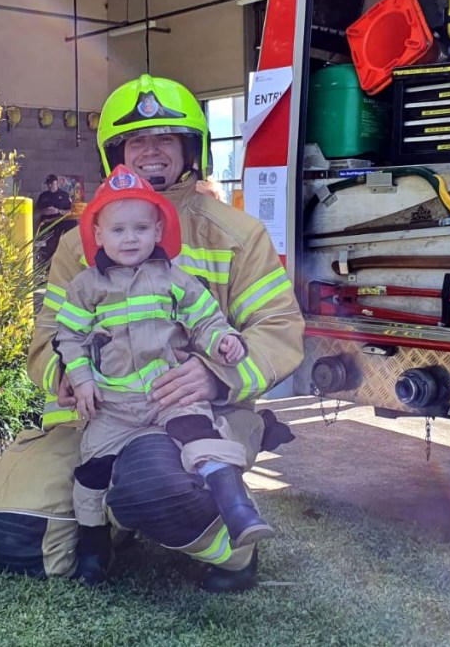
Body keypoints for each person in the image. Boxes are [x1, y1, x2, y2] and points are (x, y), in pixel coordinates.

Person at [0, 74, 304, 592]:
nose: (151, 150)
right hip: (96, 419)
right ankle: (121, 513)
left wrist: (215, 376)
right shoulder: (80, 243)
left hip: (199, 415)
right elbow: (48, 337)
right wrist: (66, 377)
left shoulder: (236, 235)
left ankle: (231, 551)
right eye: (135, 140)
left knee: (153, 475)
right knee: (13, 537)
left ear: (191, 147)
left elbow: (279, 329)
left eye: (166, 137)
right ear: (115, 155)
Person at [56, 164, 273, 585]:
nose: (130, 238)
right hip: (113, 407)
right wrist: (80, 378)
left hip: (170, 395)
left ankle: (238, 511)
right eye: (118, 230)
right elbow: (69, 337)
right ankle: (94, 549)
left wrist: (223, 344)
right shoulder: (85, 287)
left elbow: (206, 321)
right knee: (92, 472)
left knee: (202, 437)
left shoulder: (174, 279)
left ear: (158, 230)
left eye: (141, 228)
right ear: (97, 235)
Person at [35, 174, 72, 265]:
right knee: (43, 249)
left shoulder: (64, 195)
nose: (50, 185)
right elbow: (36, 212)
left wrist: (58, 211)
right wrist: (45, 211)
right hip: (46, 226)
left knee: (58, 249)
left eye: (52, 183)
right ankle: (43, 268)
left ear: (57, 183)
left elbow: (71, 212)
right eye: (48, 184)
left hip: (60, 226)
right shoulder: (43, 196)